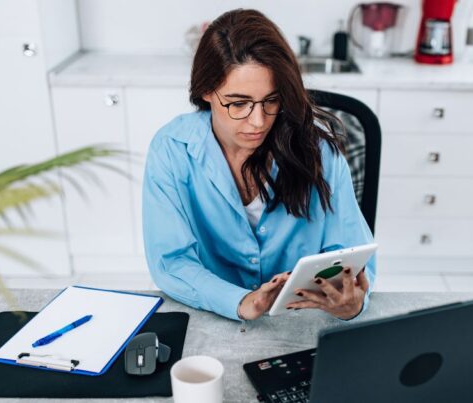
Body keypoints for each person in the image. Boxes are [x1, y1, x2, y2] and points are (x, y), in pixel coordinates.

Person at [143, 9, 375, 322]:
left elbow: (353, 257)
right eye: (238, 103)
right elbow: (171, 262)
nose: (258, 121)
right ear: (206, 91)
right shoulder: (171, 150)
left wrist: (352, 304)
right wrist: (242, 301)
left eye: (271, 101)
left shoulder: (320, 152)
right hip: (214, 319)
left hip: (301, 323)